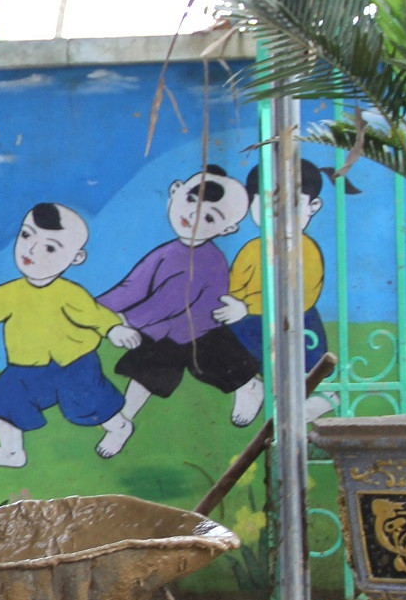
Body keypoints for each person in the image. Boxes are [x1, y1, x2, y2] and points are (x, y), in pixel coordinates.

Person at [0, 203, 139, 468]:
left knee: (87, 405)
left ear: (76, 258)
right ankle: (11, 452)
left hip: (73, 364)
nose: (30, 250)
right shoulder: (14, 291)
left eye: (50, 247)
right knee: (4, 398)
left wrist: (113, 329)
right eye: (27, 235)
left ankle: (119, 427)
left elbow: (93, 313)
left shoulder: (69, 293)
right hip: (27, 367)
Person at [94, 165, 261, 457]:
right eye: (190, 203)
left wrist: (129, 320)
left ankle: (250, 390)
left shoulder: (210, 260)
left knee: (228, 370)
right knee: (143, 376)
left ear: (227, 229)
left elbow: (174, 302)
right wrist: (95, 309)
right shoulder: (165, 253)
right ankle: (121, 424)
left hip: (203, 332)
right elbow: (133, 287)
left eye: (209, 217)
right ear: (175, 192)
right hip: (165, 335)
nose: (194, 218)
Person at [214, 160, 355, 424]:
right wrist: (232, 306)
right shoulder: (250, 250)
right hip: (253, 326)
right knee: (211, 341)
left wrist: (248, 308)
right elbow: (235, 287)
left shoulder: (307, 250)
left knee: (299, 373)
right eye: (265, 203)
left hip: (298, 325)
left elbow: (303, 296)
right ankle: (248, 388)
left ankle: (322, 398)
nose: (276, 213)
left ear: (313, 207)